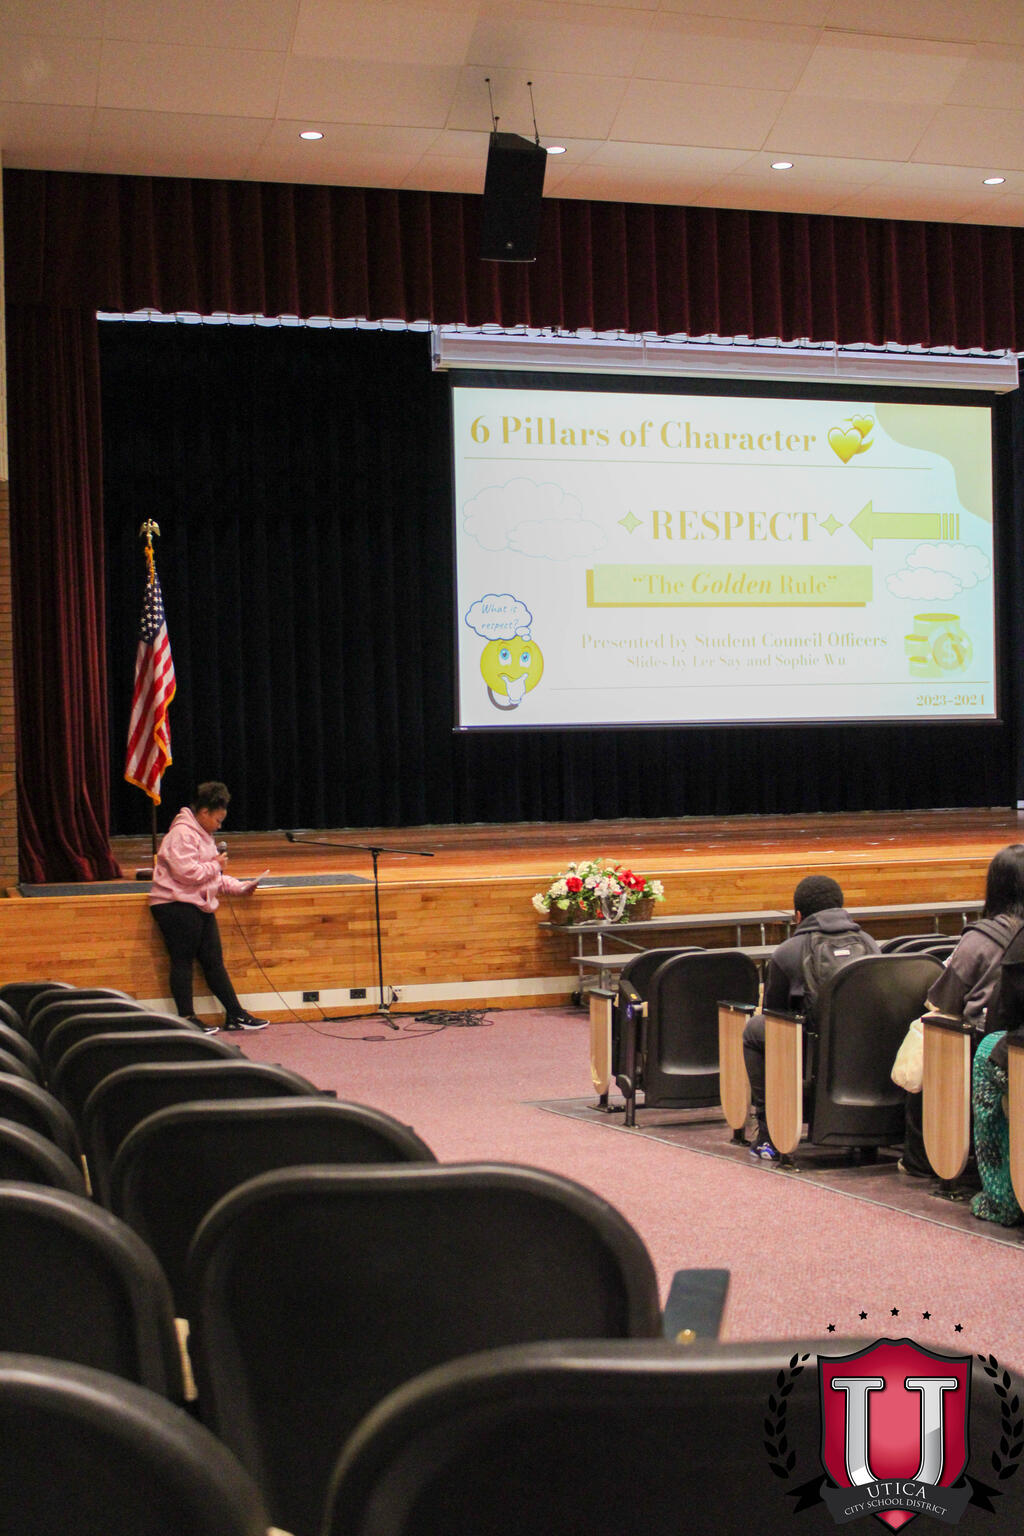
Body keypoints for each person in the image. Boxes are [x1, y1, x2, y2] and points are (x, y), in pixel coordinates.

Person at [899, 843, 1024, 1179]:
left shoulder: (980, 940)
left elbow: (945, 999)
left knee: (926, 1036)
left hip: (986, 1045)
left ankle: (921, 1159)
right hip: (1011, 1039)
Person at [742, 874, 879, 1162]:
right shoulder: (869, 944)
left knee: (755, 1030)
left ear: (798, 916)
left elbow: (774, 1014)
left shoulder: (787, 952)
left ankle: (769, 1132)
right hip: (864, 1054)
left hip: (810, 1054)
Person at [149, 780, 270, 1034]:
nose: (219, 825)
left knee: (214, 961)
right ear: (204, 812)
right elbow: (187, 874)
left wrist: (240, 886)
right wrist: (216, 864)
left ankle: (235, 1014)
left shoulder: (205, 836)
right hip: (175, 905)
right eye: (217, 820)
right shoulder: (182, 834)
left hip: (197, 905)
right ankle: (187, 1017)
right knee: (182, 961)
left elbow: (211, 877)